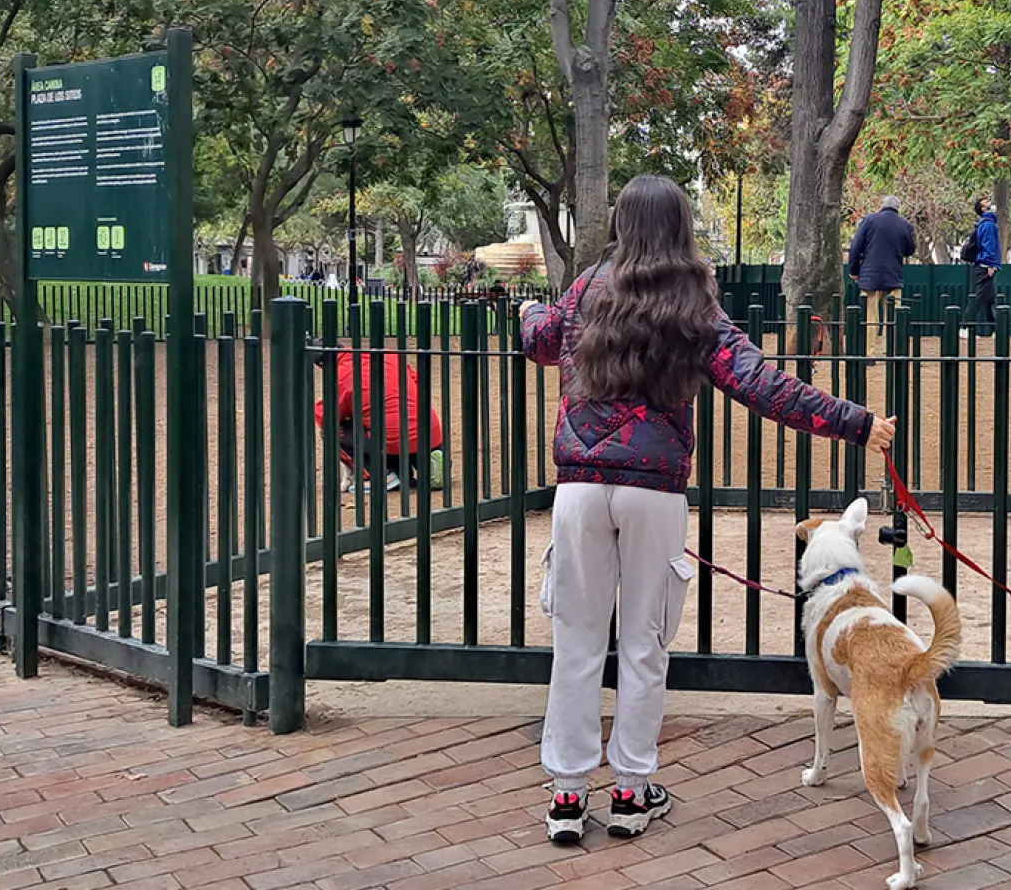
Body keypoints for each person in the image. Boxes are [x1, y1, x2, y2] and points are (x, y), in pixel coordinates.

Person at [518, 176, 896, 845]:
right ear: (680, 228)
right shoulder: (693, 304)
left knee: (576, 642)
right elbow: (762, 385)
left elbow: (543, 338)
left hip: (577, 489)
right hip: (652, 492)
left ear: (620, 223)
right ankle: (632, 790)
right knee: (643, 643)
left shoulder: (587, 286)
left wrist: (525, 313)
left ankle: (568, 796)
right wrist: (857, 423)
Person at [313, 349, 445, 493]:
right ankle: (428, 461)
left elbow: (325, 415)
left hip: (392, 441)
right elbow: (417, 380)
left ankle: (381, 475)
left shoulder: (343, 372)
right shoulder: (388, 354)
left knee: (332, 430)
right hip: (428, 432)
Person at [846, 195, 916, 351]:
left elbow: (855, 247)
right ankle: (889, 350)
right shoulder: (904, 224)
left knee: (870, 316)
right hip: (893, 275)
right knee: (893, 315)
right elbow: (910, 250)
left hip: (870, 276)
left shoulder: (869, 220)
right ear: (898, 208)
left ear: (882, 205)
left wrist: (853, 270)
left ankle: (869, 352)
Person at [963, 196, 1002, 334]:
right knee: (980, 298)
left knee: (989, 299)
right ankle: (965, 326)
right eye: (986, 202)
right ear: (983, 208)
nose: (990, 202)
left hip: (983, 265)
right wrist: (990, 264)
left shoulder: (985, 224)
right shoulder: (989, 224)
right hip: (986, 266)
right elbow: (989, 246)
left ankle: (995, 329)